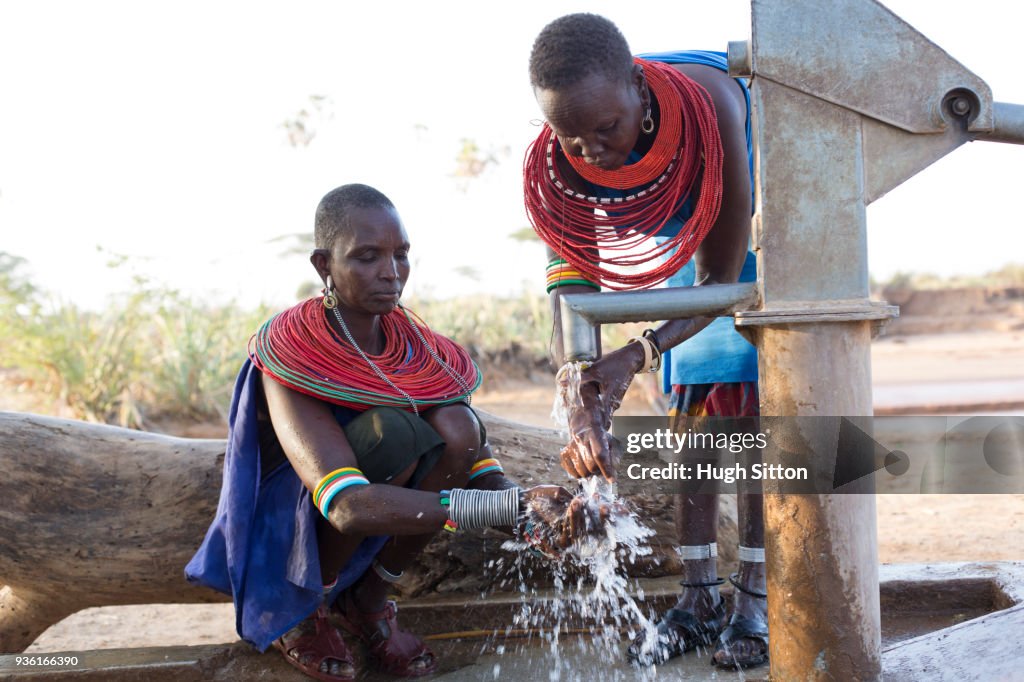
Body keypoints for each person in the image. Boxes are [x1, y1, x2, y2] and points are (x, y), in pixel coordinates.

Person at [185, 183, 584, 681]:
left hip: (383, 508)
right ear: (322, 265)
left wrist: (530, 510)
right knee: (394, 435)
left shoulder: (417, 348)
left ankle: (370, 598)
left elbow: (476, 467)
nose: (391, 272)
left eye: (401, 255)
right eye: (367, 257)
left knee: (459, 427)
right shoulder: (293, 350)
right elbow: (346, 505)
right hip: (299, 518)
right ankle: (309, 605)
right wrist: (501, 509)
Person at [523, 14, 768, 669]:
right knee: (694, 402)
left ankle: (756, 600)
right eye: (572, 138)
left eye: (607, 129)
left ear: (637, 85)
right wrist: (581, 391)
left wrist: (636, 352)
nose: (593, 151)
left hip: (770, 205)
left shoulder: (710, 105)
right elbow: (570, 296)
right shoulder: (563, 155)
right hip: (685, 225)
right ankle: (697, 601)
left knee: (751, 402)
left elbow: (721, 281)